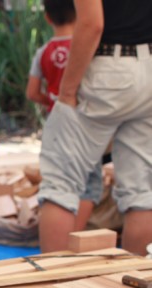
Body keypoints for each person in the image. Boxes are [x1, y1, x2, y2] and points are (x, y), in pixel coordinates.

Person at [38, 0, 152, 255]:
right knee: (142, 192)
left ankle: (52, 287)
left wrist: (67, 91)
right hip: (148, 67)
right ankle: (137, 287)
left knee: (61, 184)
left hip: (108, 66)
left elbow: (92, 23)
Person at [26, 0, 102, 232]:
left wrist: (51, 100)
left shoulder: (43, 52)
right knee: (89, 183)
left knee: (57, 183)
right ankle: (76, 233)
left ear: (47, 18)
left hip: (57, 120)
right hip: (87, 122)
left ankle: (60, 241)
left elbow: (32, 92)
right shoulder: (90, 47)